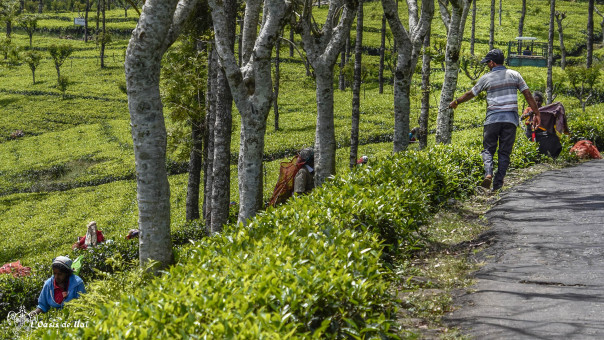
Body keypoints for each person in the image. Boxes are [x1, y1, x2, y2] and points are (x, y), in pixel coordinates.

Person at [449, 49, 541, 192]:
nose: (487, 65)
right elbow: (528, 94)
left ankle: (488, 173)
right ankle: (497, 185)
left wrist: (456, 102)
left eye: (487, 63)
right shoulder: (515, 75)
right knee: (504, 153)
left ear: (492, 63)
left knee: (488, 149)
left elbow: (470, 94)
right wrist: (537, 113)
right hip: (510, 120)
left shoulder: (486, 78)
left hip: (492, 119)